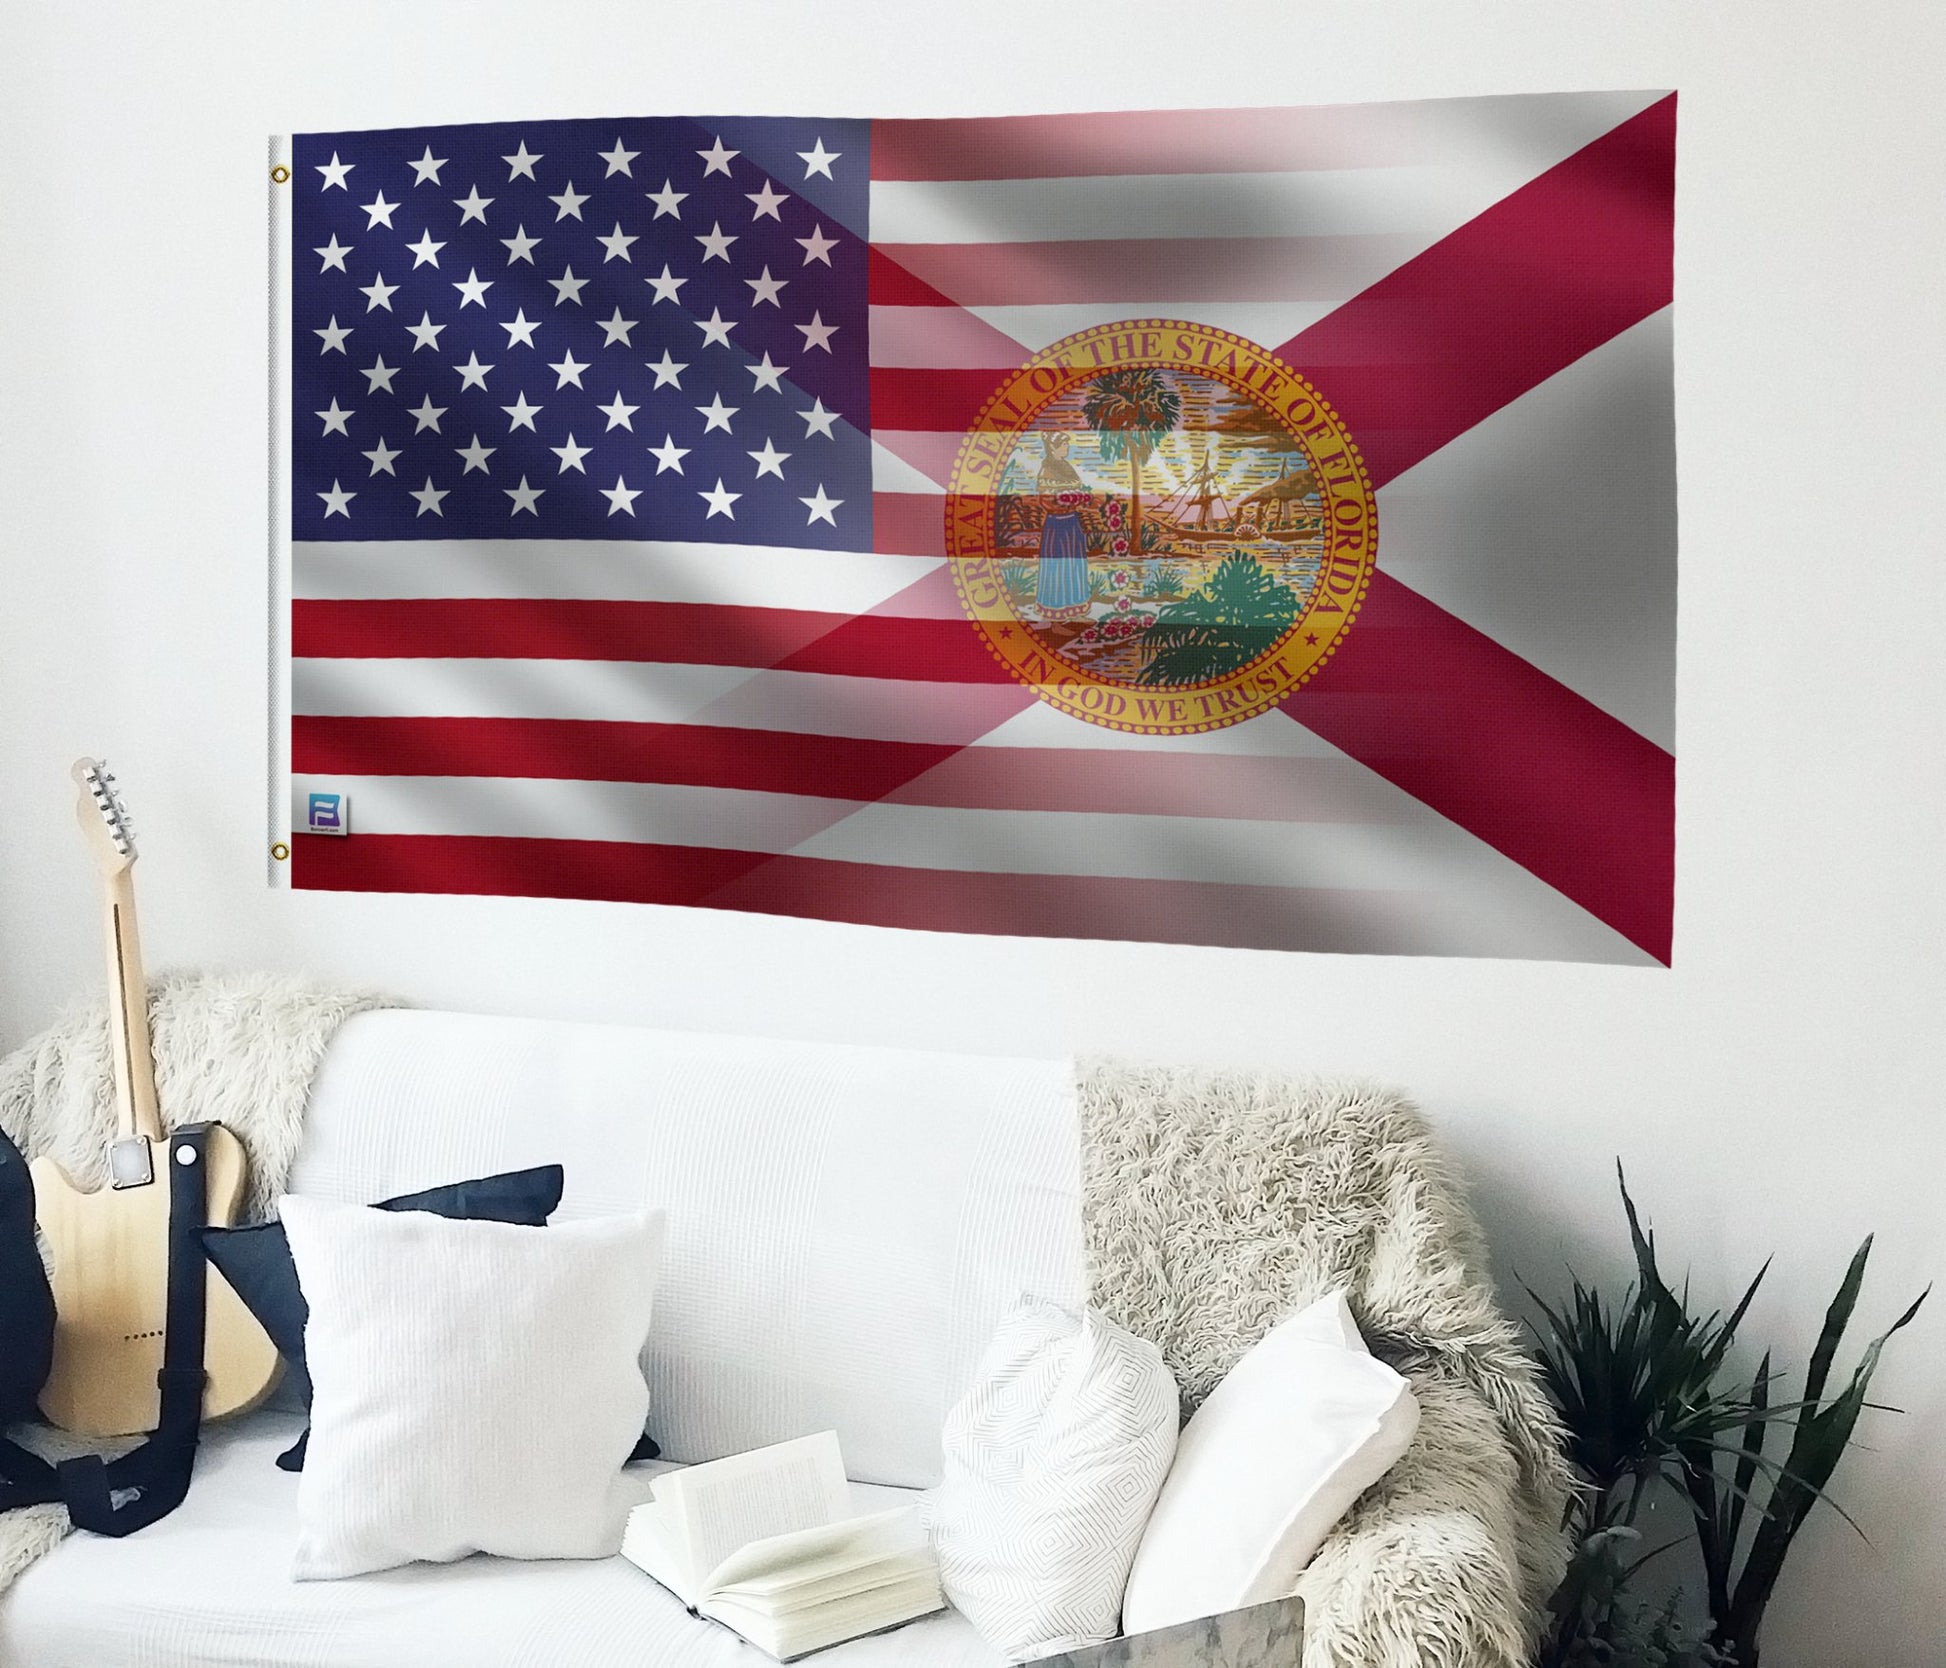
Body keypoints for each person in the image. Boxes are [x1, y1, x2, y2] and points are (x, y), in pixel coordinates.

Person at [1033, 432, 1091, 620]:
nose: (1067, 448)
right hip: (1057, 526)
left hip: (1072, 523)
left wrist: (1078, 500)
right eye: (1064, 445)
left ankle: (1075, 609)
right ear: (1053, 447)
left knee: (1074, 564)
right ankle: (1056, 615)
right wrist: (1065, 502)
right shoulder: (1046, 469)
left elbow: (1076, 491)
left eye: (1067, 444)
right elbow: (1046, 500)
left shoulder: (1067, 467)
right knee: (1059, 566)